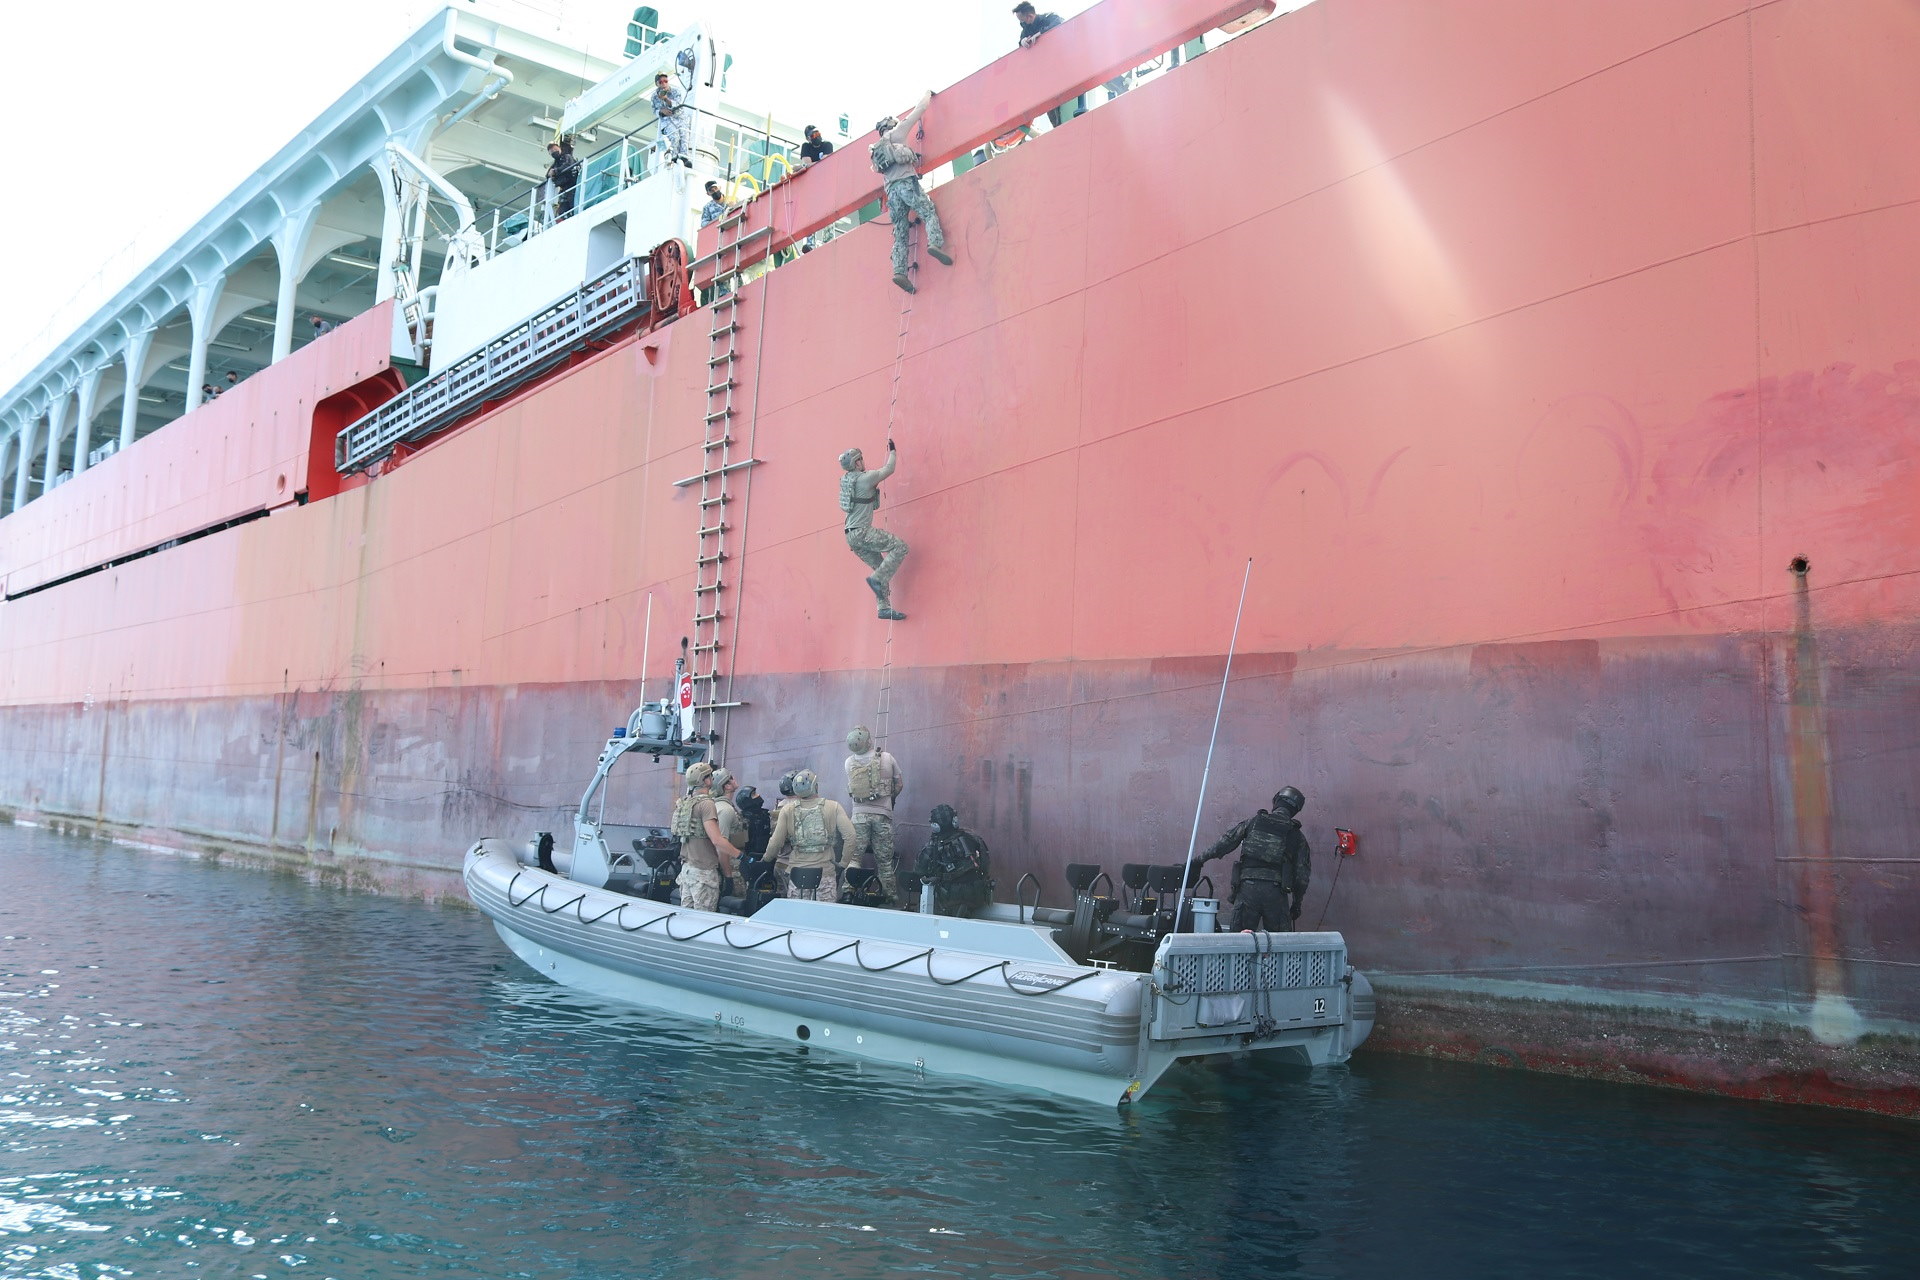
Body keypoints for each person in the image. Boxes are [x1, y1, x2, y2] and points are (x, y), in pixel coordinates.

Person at [1193, 786, 1312, 931]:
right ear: (1295, 810)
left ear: (1276, 800)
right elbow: (1301, 877)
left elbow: (1223, 844)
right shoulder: (1297, 836)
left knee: (1239, 941)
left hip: (1247, 891)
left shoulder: (1253, 822)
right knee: (1279, 942)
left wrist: (1198, 860)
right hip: (1276, 894)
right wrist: (1297, 904)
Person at [869, 92, 952, 294]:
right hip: (906, 184)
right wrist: (928, 94)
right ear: (892, 125)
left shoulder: (876, 150)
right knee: (928, 211)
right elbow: (919, 110)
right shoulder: (896, 134)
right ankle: (935, 243)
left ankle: (899, 271)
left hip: (892, 194)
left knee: (900, 231)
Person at [839, 441, 909, 621]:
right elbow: (889, 469)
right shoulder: (865, 478)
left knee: (880, 567)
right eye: (860, 459)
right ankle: (876, 580)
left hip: (851, 536)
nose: (863, 461)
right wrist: (893, 451)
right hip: (861, 532)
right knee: (900, 547)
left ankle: (883, 607)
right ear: (857, 463)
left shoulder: (848, 480)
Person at [764, 769, 855, 902]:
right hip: (825, 874)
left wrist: (766, 859)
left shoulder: (787, 810)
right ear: (815, 786)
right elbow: (851, 836)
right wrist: (843, 864)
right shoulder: (833, 807)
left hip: (797, 875)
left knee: (797, 914)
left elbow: (776, 842)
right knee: (824, 915)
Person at [843, 725, 905, 906]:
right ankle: (889, 897)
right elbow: (899, 784)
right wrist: (888, 799)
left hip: (858, 815)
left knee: (854, 857)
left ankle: (848, 892)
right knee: (884, 860)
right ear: (868, 741)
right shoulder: (887, 758)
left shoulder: (848, 762)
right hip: (882, 815)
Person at [669, 761, 741, 913]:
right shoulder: (707, 804)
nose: (712, 779)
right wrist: (741, 856)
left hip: (687, 871)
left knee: (686, 918)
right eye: (709, 776)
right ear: (705, 780)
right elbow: (717, 840)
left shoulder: (686, 803)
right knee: (704, 920)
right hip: (703, 874)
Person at [915, 804, 993, 918]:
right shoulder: (972, 839)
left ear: (935, 826)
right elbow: (985, 864)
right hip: (977, 894)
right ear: (954, 821)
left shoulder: (931, 846)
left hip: (950, 898)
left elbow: (919, 870)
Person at [652, 72, 691, 167]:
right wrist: (661, 111)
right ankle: (674, 158)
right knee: (674, 136)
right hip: (667, 121)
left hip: (679, 118)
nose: (664, 84)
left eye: (666, 81)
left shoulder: (675, 91)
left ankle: (684, 159)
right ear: (657, 84)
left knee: (684, 137)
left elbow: (678, 105)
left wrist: (666, 99)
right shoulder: (654, 96)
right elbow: (654, 110)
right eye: (661, 82)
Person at [545, 139, 580, 220]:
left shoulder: (567, 157)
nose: (554, 151)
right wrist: (551, 173)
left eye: (555, 149)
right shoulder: (556, 163)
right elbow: (547, 175)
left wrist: (555, 171)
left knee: (573, 205)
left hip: (573, 186)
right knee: (562, 211)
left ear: (559, 148)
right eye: (551, 151)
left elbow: (568, 165)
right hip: (564, 189)